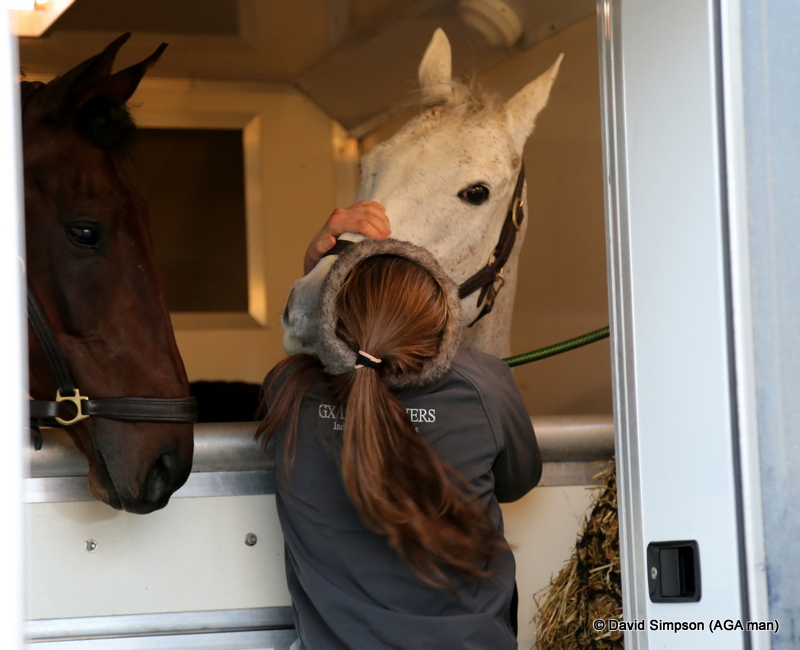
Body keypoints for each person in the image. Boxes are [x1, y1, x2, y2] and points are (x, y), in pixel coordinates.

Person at [258, 237, 542, 649]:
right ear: (445, 321)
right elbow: (518, 481)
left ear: (333, 320)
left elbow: (316, 353)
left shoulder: (288, 390)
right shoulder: (483, 384)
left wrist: (316, 276)